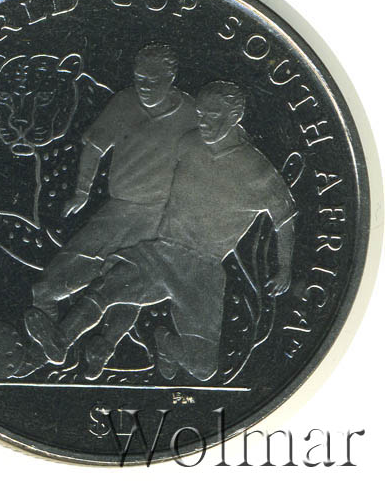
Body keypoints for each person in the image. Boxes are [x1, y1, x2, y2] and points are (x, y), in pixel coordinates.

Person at [26, 80, 296, 381]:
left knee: (204, 369)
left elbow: (284, 218)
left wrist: (284, 268)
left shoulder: (257, 170)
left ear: (235, 116)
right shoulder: (188, 143)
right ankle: (61, 340)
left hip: (202, 270)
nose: (205, 123)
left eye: (213, 116)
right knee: (107, 288)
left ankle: (164, 342)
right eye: (201, 115)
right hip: (162, 251)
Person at [17, 43, 197, 374]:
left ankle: (97, 345)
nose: (145, 86)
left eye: (153, 80)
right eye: (139, 79)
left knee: (123, 288)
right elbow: (95, 147)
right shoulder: (125, 102)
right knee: (47, 287)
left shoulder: (192, 114)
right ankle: (53, 349)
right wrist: (81, 192)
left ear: (171, 77)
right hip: (118, 210)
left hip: (159, 218)